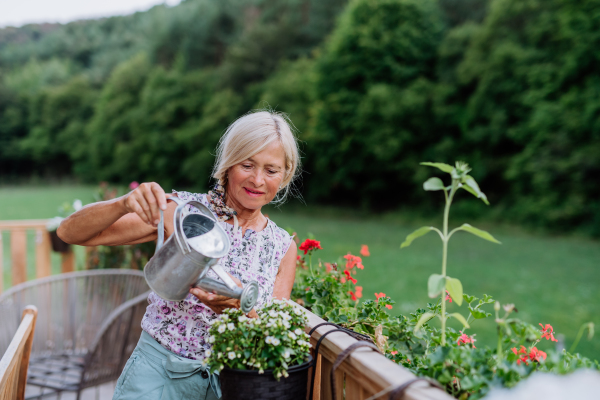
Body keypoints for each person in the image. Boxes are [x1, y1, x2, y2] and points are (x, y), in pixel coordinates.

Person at [57, 110, 300, 399]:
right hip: (157, 378)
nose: (258, 179)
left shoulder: (282, 247)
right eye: (247, 165)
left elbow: (273, 332)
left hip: (229, 386)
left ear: (284, 175)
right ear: (228, 163)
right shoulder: (183, 212)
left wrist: (236, 309)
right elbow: (70, 233)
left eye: (271, 170)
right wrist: (123, 204)